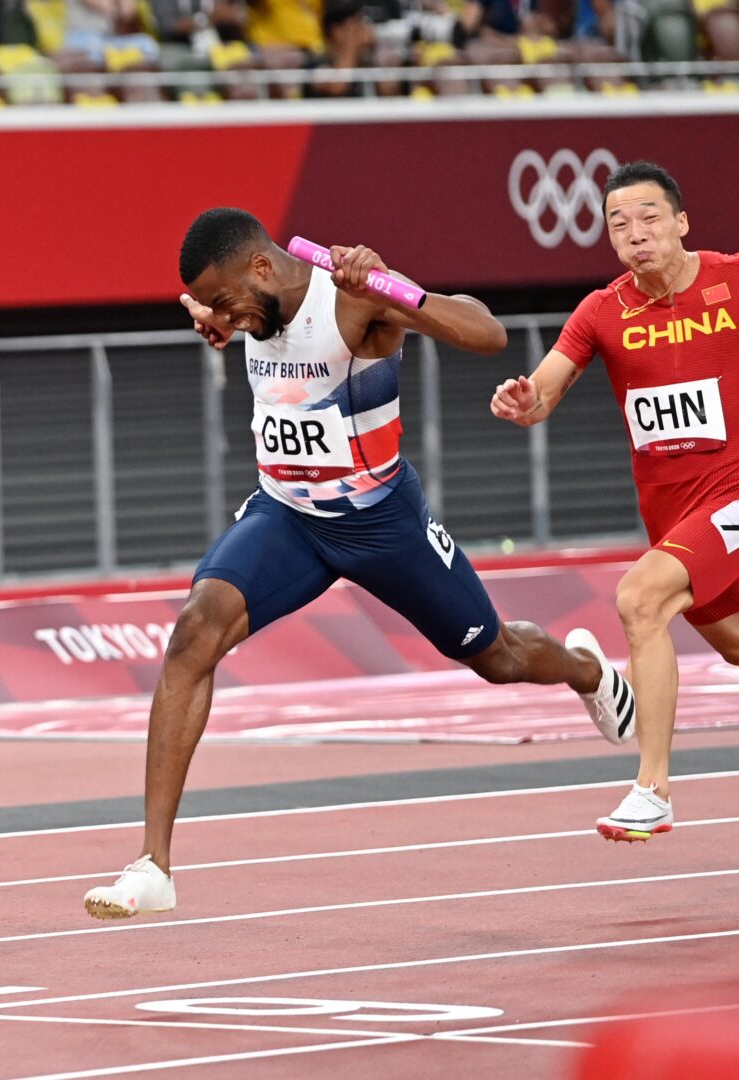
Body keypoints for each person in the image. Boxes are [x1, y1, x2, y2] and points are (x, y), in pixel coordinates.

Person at [82, 207, 635, 920]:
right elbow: (252, 333)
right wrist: (231, 322)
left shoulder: (351, 297)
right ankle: (153, 865)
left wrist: (392, 289)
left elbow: (488, 334)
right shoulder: (250, 309)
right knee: (194, 633)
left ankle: (589, 672)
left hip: (382, 522)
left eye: (224, 303)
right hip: (288, 516)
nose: (219, 319)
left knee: (495, 655)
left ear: (260, 267)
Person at [490, 160, 739, 844]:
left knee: (639, 598)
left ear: (682, 222)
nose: (635, 233)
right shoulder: (604, 311)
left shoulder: (731, 280)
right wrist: (523, 401)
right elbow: (543, 391)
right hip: (674, 514)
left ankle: (652, 789)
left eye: (650, 217)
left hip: (735, 494)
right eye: (619, 223)